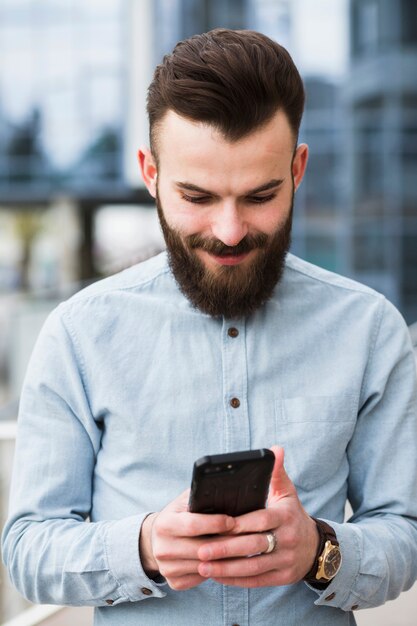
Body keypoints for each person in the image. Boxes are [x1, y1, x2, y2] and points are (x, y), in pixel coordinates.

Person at [2, 28, 417, 626]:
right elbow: (27, 550)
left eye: (259, 195)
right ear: (149, 172)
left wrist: (319, 550)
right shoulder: (78, 335)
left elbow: (402, 533)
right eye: (196, 195)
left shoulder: (371, 329)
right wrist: (142, 548)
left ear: (298, 169)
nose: (228, 230)